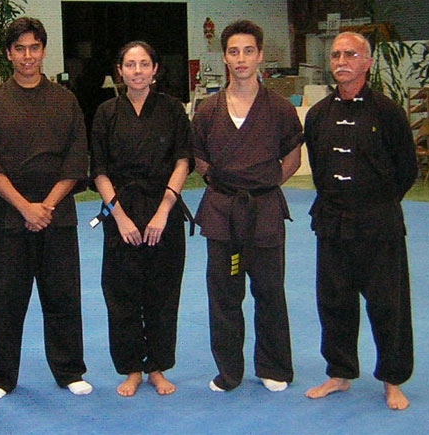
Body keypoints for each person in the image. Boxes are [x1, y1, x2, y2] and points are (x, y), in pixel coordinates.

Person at [0, 17, 91, 400]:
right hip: (10, 215)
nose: (28, 56)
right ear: (9, 53)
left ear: (43, 51)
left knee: (63, 297)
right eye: (20, 48)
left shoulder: (65, 100)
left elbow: (76, 161)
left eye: (34, 48)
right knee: (7, 300)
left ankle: (70, 370)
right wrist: (26, 207)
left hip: (57, 214)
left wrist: (47, 206)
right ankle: (0, 376)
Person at [304, 32, 417, 411]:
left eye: (350, 54)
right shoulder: (318, 115)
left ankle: (392, 379)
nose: (341, 61)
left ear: (367, 62)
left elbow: (406, 169)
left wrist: (374, 204)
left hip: (378, 224)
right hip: (332, 223)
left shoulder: (387, 112)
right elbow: (319, 168)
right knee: (334, 302)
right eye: (336, 54)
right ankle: (340, 373)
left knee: (388, 304)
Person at [192, 20, 303, 393]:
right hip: (222, 212)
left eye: (248, 51)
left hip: (264, 211)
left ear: (260, 56)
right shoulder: (207, 109)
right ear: (224, 57)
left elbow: (292, 158)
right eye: (234, 51)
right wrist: (228, 188)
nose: (241, 59)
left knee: (269, 291)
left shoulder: (280, 108)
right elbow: (201, 161)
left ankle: (274, 367)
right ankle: (229, 371)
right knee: (224, 294)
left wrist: (263, 186)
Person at [90, 41, 193, 397]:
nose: (137, 71)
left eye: (144, 64)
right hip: (121, 210)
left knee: (163, 292)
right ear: (119, 70)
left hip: (163, 209)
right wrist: (119, 217)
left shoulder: (172, 109)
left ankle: (157, 367)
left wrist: (164, 211)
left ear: (155, 69)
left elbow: (183, 161)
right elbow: (99, 170)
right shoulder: (106, 113)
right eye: (130, 65)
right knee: (121, 294)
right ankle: (132, 368)